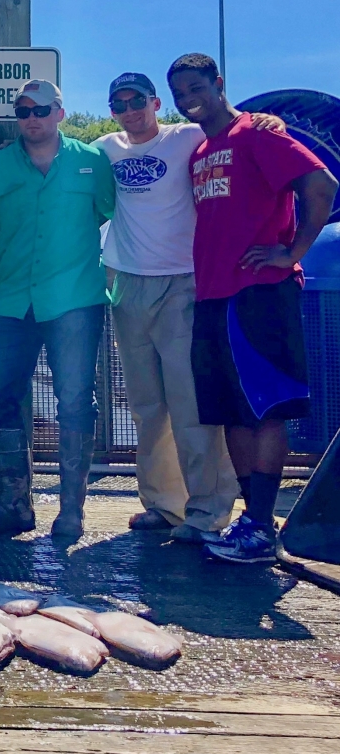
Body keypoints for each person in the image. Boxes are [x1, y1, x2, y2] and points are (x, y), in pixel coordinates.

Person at [167, 52, 337, 564]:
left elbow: (321, 185)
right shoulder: (201, 151)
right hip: (213, 295)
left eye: (196, 87)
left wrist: (294, 251)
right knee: (232, 414)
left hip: (259, 293)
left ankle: (263, 526)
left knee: (266, 410)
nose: (188, 99)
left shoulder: (258, 133)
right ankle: (251, 520)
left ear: (219, 83)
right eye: (180, 93)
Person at [0, 79, 116, 538]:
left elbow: (123, 217)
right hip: (9, 301)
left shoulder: (93, 162)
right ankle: (15, 505)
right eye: (23, 110)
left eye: (41, 109)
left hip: (75, 302)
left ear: (60, 113)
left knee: (73, 402)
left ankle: (72, 510)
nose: (32, 117)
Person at [95, 73, 239, 543]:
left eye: (138, 100)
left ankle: (208, 510)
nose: (130, 109)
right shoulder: (104, 149)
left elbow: (237, 126)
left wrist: (268, 122)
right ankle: (162, 504)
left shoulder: (188, 136)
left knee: (190, 400)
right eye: (119, 103)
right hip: (127, 285)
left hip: (182, 283)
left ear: (156, 103)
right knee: (147, 405)